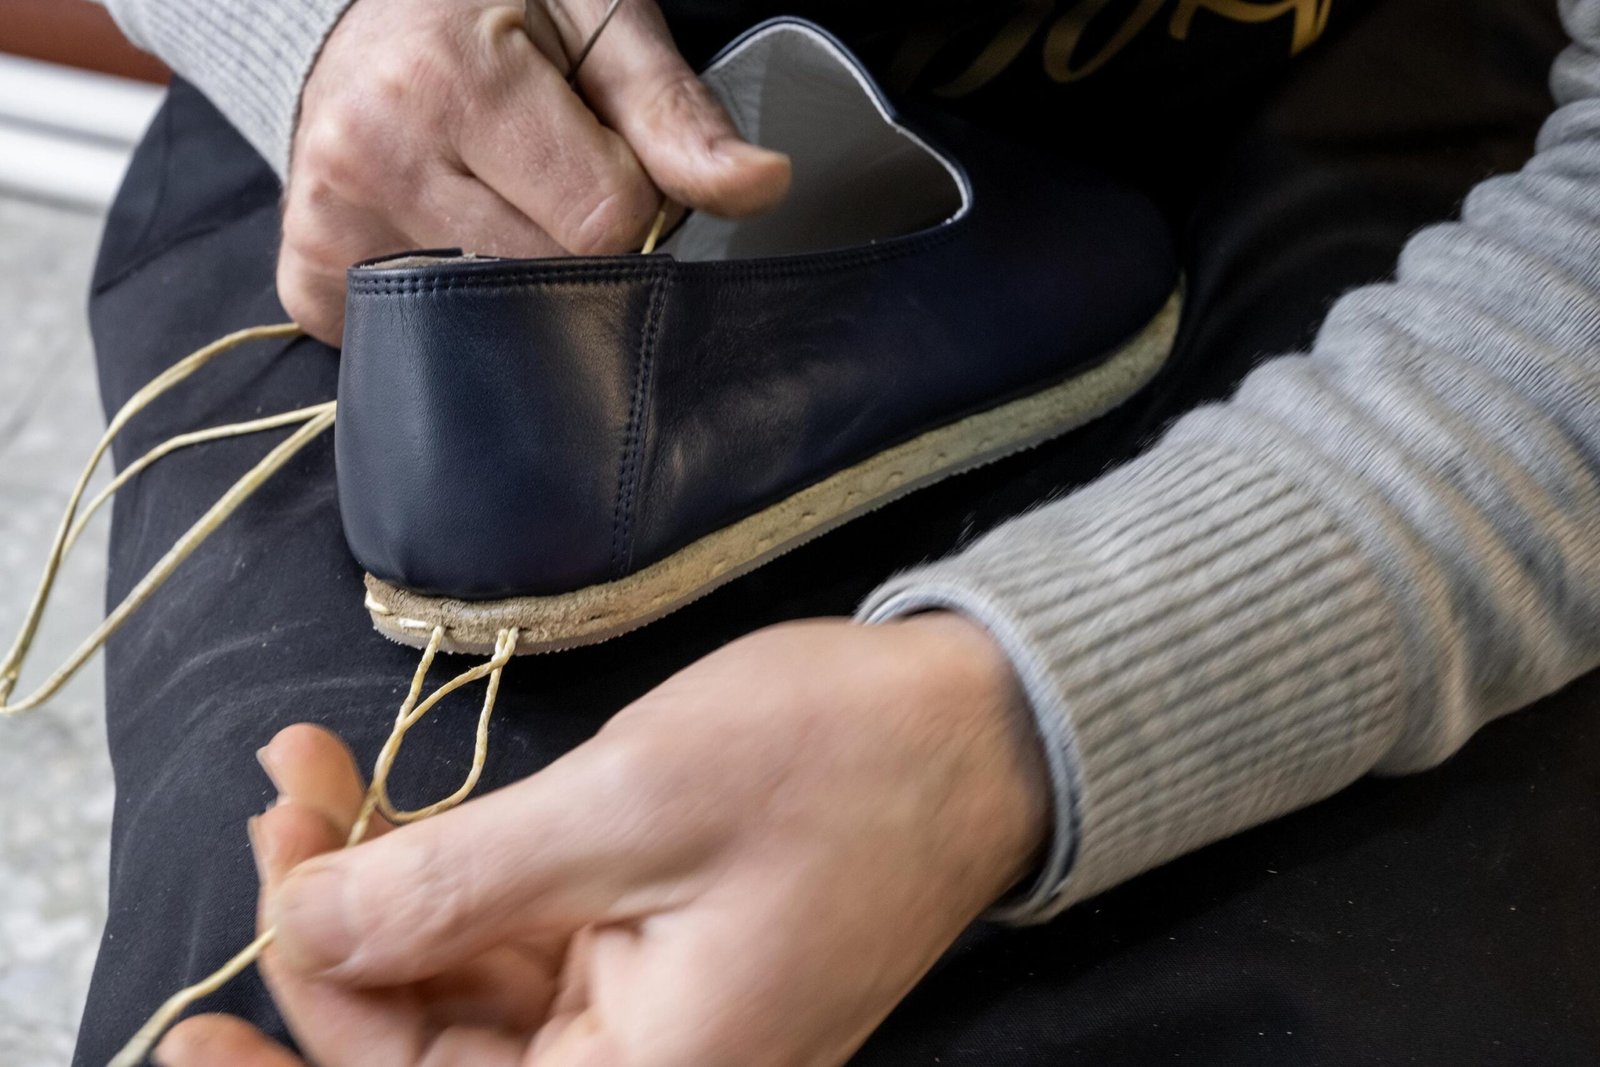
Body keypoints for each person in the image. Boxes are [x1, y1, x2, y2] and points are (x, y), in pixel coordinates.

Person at [68, 0, 1599, 1064]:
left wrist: (1020, 725)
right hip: (441, 128)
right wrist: (318, 30)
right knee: (313, 989)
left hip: (1407, 188)